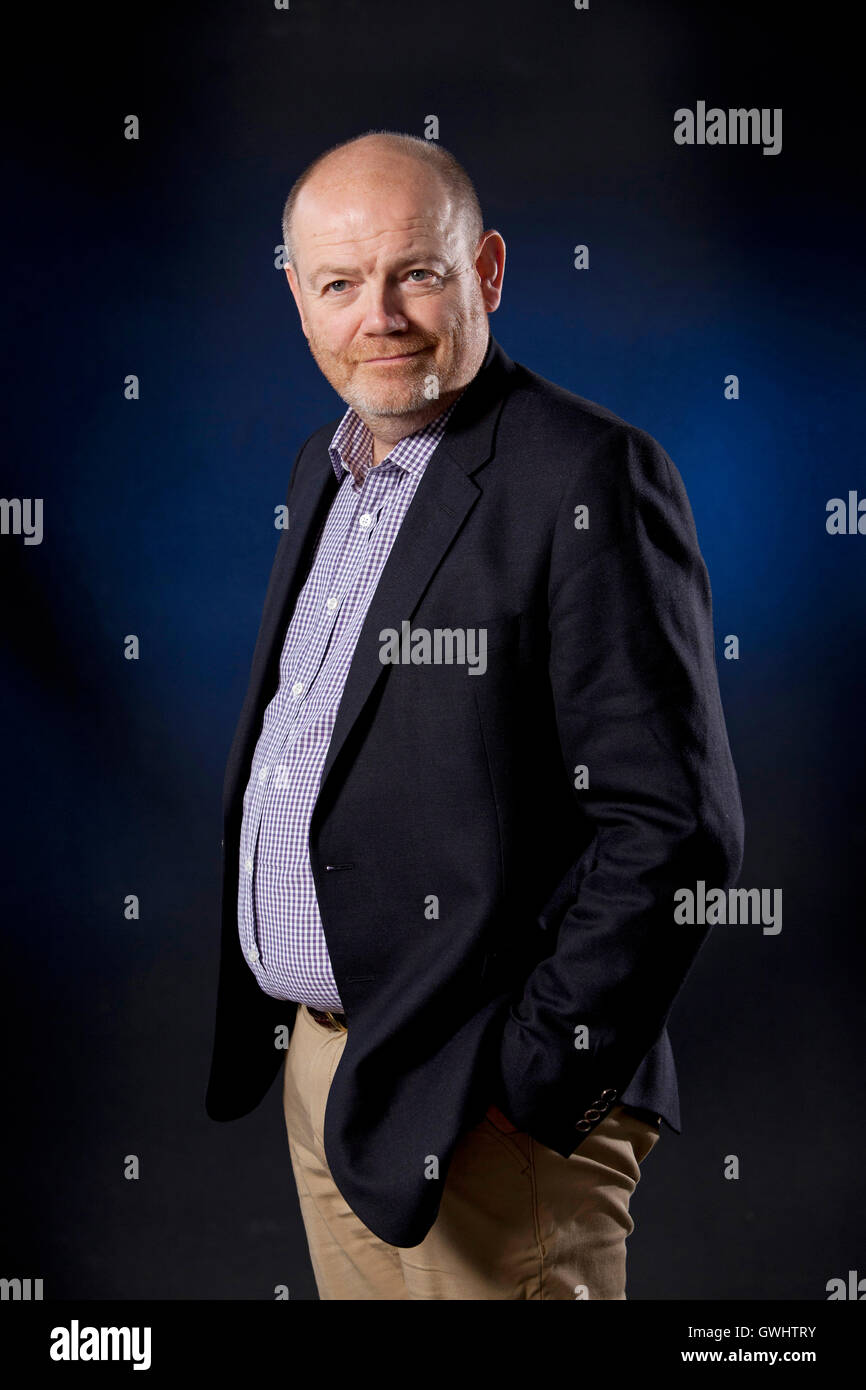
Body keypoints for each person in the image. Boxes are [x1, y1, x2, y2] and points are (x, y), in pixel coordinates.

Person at [205, 129, 744, 1300]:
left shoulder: (587, 474)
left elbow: (673, 827)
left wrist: (532, 1075)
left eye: (418, 273)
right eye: (340, 283)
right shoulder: (326, 467)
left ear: (485, 273)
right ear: (297, 294)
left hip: (477, 1107)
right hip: (332, 1075)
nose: (379, 317)